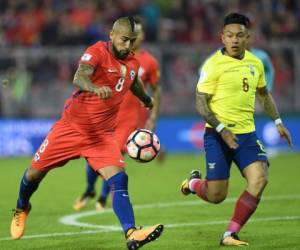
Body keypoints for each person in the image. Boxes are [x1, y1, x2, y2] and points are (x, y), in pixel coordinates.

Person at [10, 16, 164, 250]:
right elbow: (79, 76)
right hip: (71, 129)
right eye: (124, 40)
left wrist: (146, 99)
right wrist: (94, 87)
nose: (128, 45)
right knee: (34, 175)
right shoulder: (97, 52)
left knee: (119, 179)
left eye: (132, 41)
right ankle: (22, 207)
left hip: (101, 136)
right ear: (111, 35)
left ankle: (132, 233)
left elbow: (133, 82)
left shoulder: (133, 62)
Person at [180, 13, 292, 246]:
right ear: (222, 37)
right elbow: (201, 102)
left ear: (247, 37)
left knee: (260, 179)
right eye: (229, 35)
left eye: (239, 35)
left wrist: (278, 121)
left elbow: (263, 94)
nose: (234, 40)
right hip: (217, 135)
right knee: (216, 196)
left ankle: (230, 234)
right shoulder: (213, 65)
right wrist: (222, 129)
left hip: (247, 135)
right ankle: (193, 184)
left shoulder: (255, 62)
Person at [73, 18, 161, 211]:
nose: (131, 40)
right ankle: (89, 189)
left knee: (115, 156)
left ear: (140, 36)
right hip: (106, 113)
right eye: (127, 36)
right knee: (94, 156)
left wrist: (152, 115)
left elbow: (155, 90)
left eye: (137, 34)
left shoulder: (149, 62)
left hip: (129, 117)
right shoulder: (109, 56)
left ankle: (103, 198)